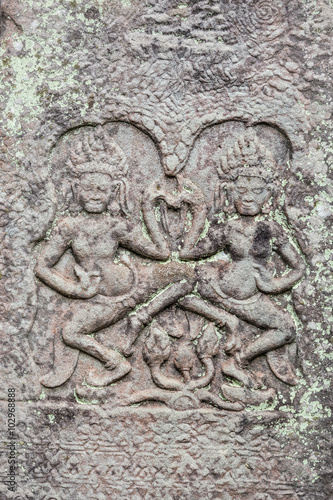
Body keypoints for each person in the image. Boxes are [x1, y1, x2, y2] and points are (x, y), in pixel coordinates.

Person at [36, 127, 193, 388]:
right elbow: (42, 267)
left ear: (114, 191)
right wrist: (75, 290)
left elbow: (161, 253)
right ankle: (115, 361)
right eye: (88, 189)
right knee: (69, 332)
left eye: (101, 189)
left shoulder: (117, 226)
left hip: (135, 284)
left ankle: (141, 317)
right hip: (101, 300)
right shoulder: (68, 227)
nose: (95, 195)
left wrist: (147, 206)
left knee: (186, 275)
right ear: (76, 189)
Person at [178, 129, 306, 388]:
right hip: (221, 290)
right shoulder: (226, 229)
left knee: (287, 329)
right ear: (228, 192)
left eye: (257, 191)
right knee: (186, 285)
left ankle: (239, 360)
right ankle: (228, 325)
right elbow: (190, 254)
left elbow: (299, 265)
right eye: (241, 191)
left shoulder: (271, 228)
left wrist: (275, 286)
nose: (248, 197)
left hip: (253, 297)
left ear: (268, 193)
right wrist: (197, 211)